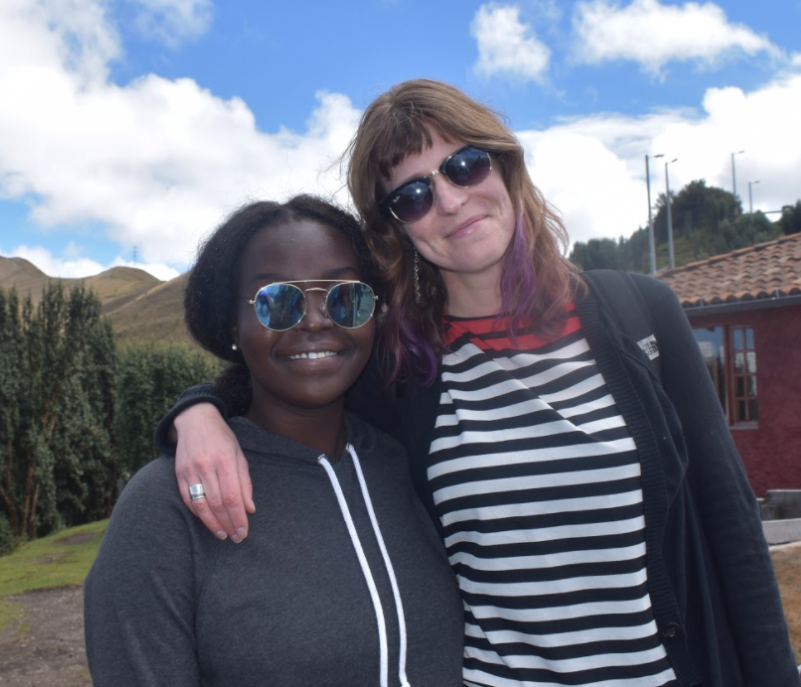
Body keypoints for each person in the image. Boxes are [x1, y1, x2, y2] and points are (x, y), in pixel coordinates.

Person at [160, 81, 799, 686]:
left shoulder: (642, 315)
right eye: (412, 196)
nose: (450, 201)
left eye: (465, 165)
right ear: (396, 228)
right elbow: (281, 377)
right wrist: (195, 413)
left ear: (503, 165)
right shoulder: (401, 370)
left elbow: (733, 529)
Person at [84, 195, 464, 687]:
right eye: (277, 301)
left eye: (344, 296)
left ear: (374, 313)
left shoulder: (405, 462)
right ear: (232, 326)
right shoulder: (164, 508)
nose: (314, 320)